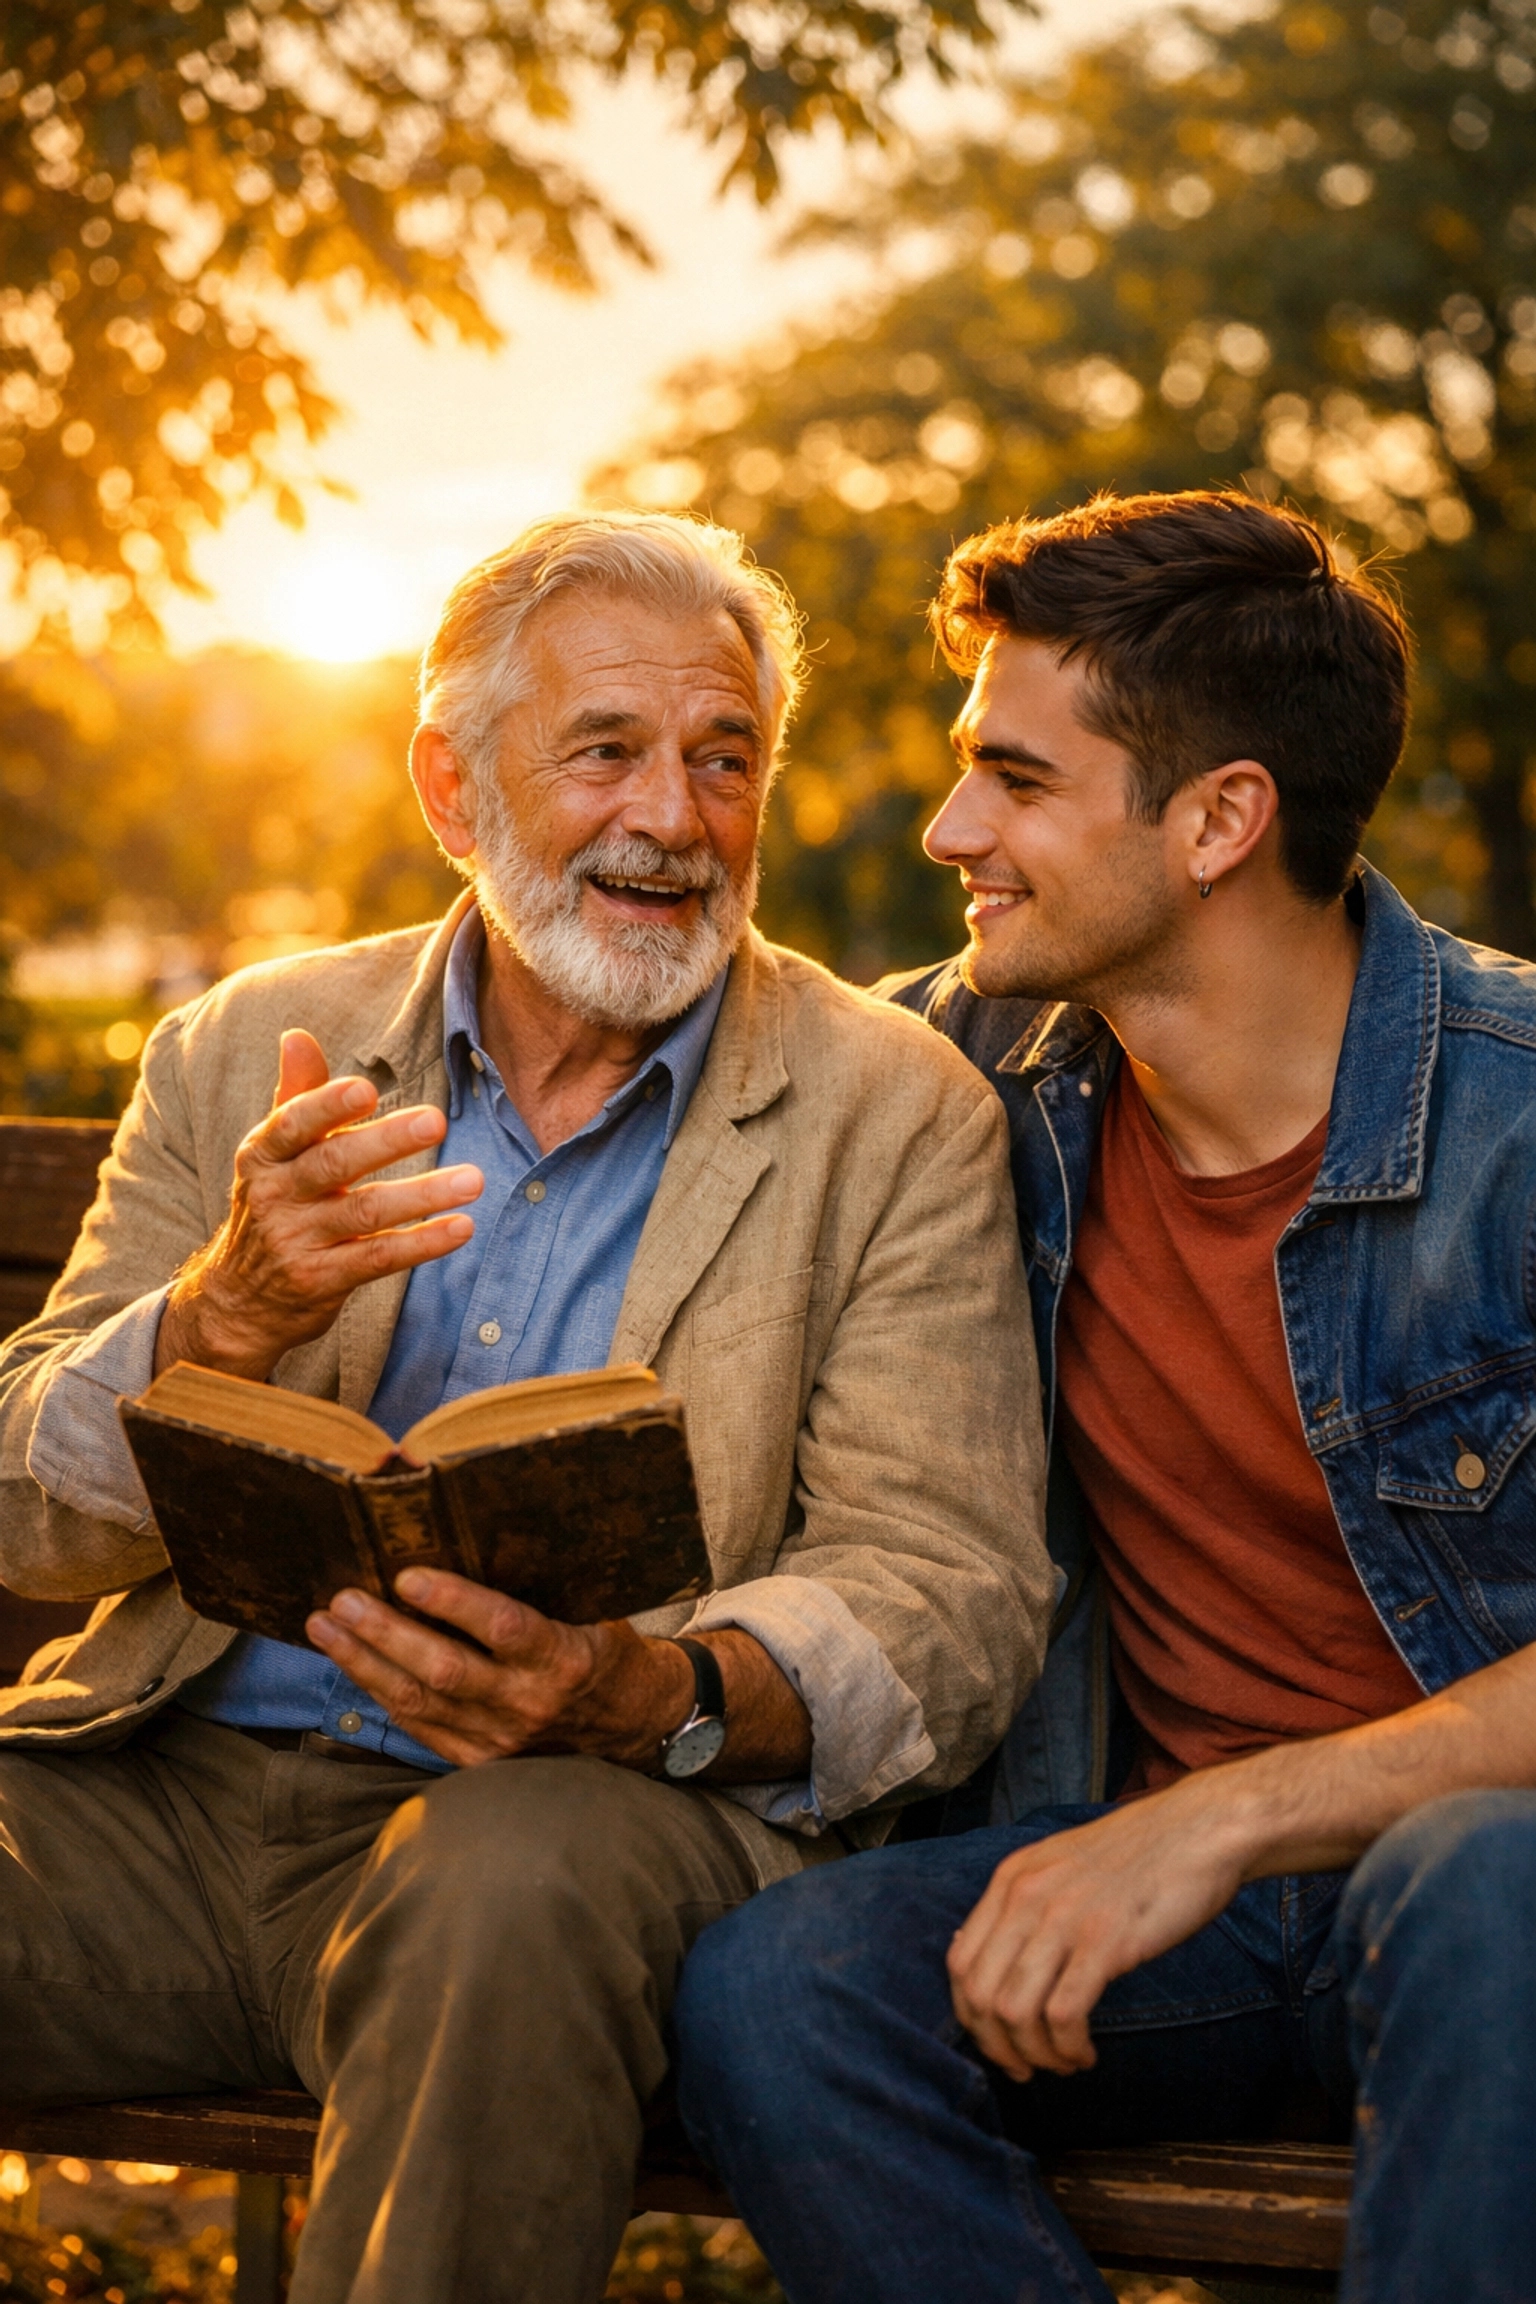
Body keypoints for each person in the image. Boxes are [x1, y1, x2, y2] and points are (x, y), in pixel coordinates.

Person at [0, 512, 1054, 2304]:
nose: (673, 816)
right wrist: (221, 1318)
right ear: (452, 786)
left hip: (575, 1816)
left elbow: (948, 1588)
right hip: (161, 1797)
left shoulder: (896, 1112)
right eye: (606, 751)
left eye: (724, 759)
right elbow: (29, 1520)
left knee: (503, 1891)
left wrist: (654, 1692)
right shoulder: (249, 1045)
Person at [673, 491, 1536, 2304]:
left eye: (1018, 780)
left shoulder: (1518, 1126)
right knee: (783, 1988)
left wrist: (1215, 1818)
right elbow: (636, 1054)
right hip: (1164, 1922)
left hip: (1471, 1903)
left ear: (1221, 820)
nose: (949, 829)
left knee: (1490, 1887)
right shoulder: (959, 1080)